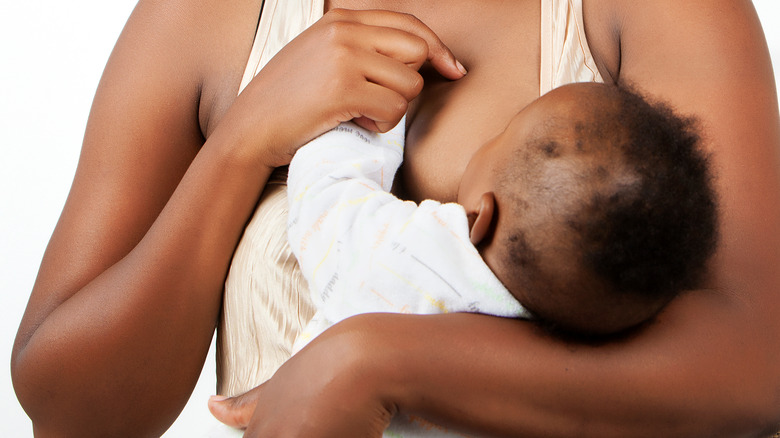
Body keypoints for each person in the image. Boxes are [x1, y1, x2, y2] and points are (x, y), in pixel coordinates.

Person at [11, 0, 780, 437]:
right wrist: (244, 143)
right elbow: (74, 414)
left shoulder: (650, 9)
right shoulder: (203, 20)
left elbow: (756, 363)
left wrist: (376, 361)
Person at [287, 82, 717, 352]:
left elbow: (325, 196)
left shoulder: (420, 261)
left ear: (481, 215)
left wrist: (376, 116)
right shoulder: (571, 342)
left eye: (500, 133)